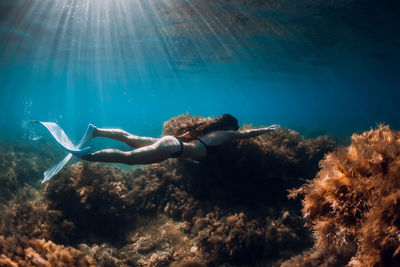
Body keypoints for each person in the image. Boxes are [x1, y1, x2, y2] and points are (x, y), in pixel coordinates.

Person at [75, 114, 278, 165]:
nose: (236, 132)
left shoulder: (209, 132)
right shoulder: (226, 134)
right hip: (172, 149)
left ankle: (96, 131)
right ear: (229, 127)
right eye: (235, 129)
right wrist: (267, 129)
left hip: (172, 142)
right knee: (128, 157)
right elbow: (246, 134)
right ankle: (88, 157)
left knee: (131, 139)